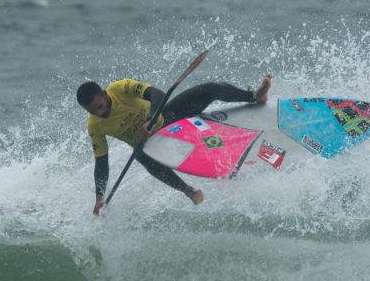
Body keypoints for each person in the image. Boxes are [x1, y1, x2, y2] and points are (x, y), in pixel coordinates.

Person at [76, 74, 273, 215]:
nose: (99, 113)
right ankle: (188, 190)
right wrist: (99, 195)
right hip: (151, 147)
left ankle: (254, 96)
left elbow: (158, 95)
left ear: (104, 94)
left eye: (99, 107)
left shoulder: (120, 88)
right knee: (139, 154)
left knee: (209, 89)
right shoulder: (95, 126)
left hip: (168, 119)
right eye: (92, 112)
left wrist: (151, 120)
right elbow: (101, 161)